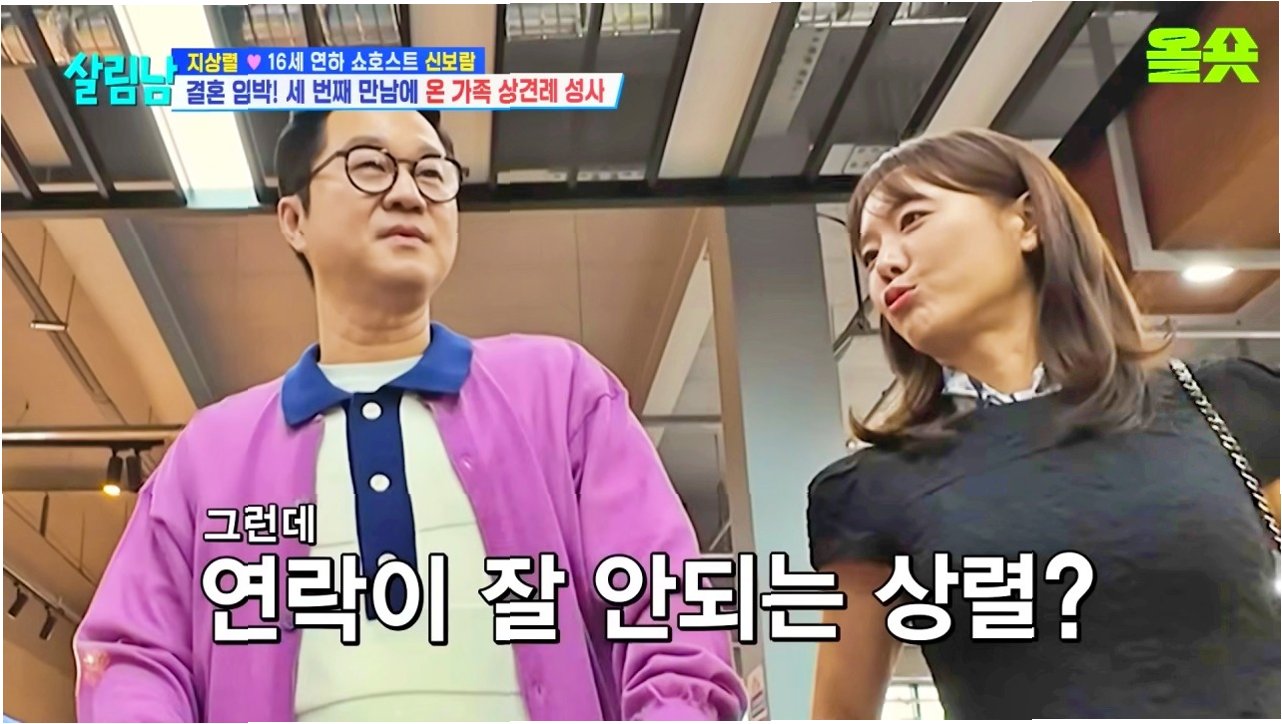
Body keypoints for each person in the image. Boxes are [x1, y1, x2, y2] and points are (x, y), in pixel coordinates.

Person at [74, 109, 747, 722]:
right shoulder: (211, 454)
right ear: (294, 219)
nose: (407, 192)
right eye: (369, 165)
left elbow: (668, 607)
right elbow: (133, 657)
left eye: (432, 172)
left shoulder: (561, 394)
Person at [807, 128, 1280, 719]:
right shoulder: (867, 492)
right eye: (870, 255)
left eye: (912, 220)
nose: (886, 265)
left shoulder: (1227, 406)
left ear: (1026, 222)